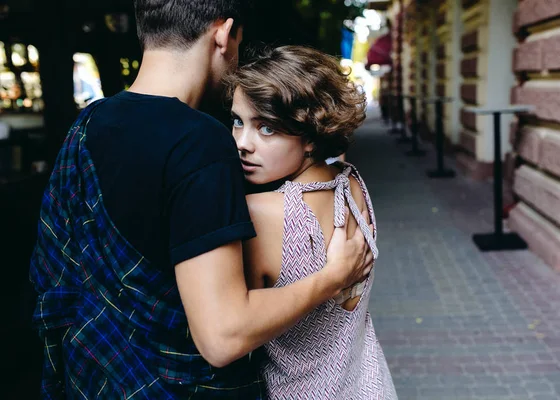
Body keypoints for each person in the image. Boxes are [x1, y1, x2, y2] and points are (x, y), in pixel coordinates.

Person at [28, 1, 373, 398]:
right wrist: (331, 279)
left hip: (92, 380)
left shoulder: (85, 127)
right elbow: (222, 336)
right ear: (224, 34)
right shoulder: (200, 143)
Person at [227, 46, 397, 399]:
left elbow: (230, 333)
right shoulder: (353, 184)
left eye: (267, 128)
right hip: (371, 386)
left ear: (310, 134)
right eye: (238, 121)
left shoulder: (260, 213)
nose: (242, 143)